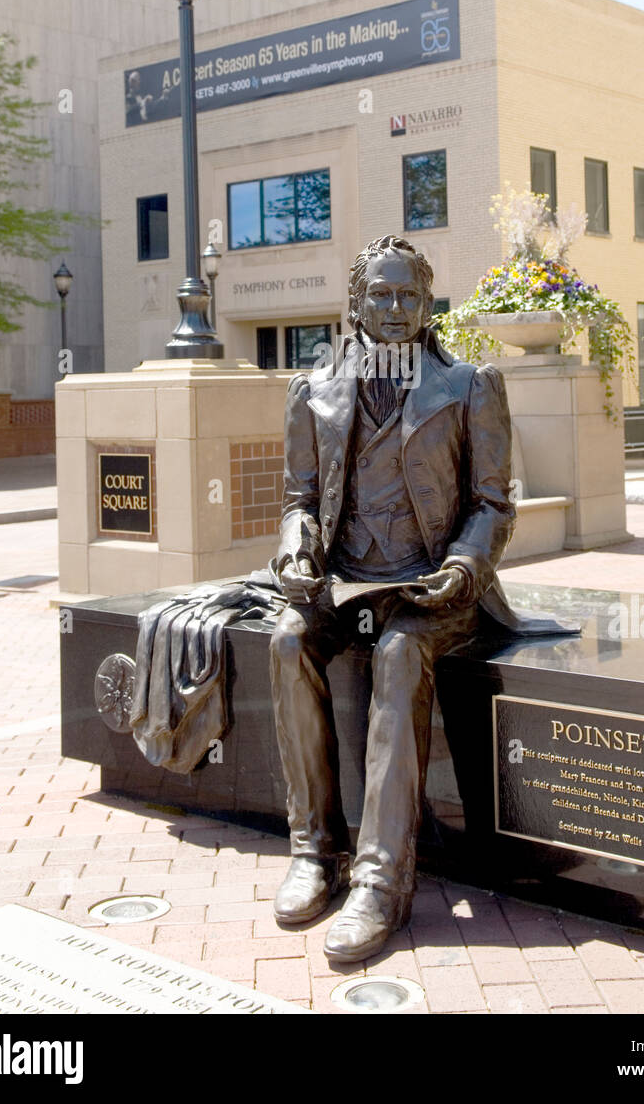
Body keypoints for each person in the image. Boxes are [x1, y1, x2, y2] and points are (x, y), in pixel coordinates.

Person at [269, 233, 517, 962]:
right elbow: (300, 499)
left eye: (409, 294)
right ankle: (314, 850)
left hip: (432, 587)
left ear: (428, 302)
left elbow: (494, 503)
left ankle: (381, 882)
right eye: (380, 293)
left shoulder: (471, 384)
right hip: (343, 582)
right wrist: (295, 549)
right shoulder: (310, 390)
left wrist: (466, 566)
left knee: (403, 651)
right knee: (287, 641)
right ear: (354, 301)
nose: (395, 307)